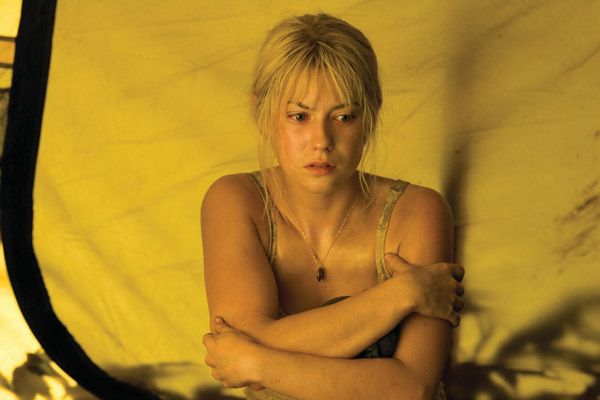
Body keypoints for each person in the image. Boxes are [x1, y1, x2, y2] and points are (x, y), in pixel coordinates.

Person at [201, 13, 465, 400]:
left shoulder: (418, 212)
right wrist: (404, 293)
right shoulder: (235, 201)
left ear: (370, 115)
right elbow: (243, 337)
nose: (321, 140)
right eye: (299, 116)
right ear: (262, 112)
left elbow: (412, 388)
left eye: (343, 117)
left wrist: (258, 364)